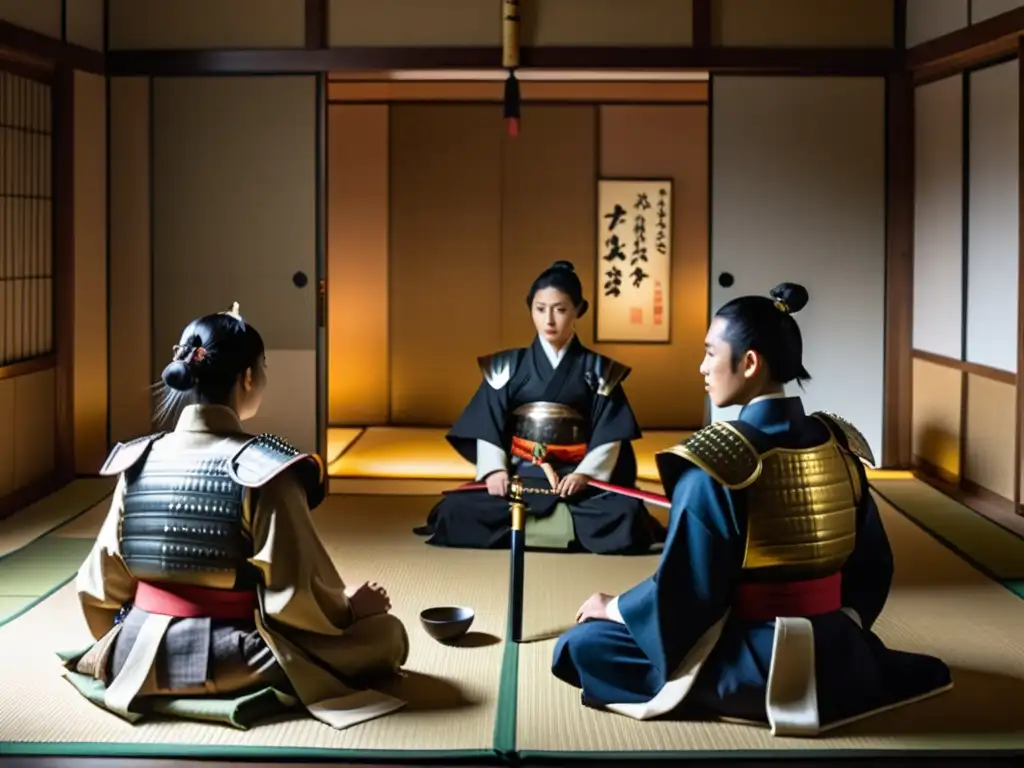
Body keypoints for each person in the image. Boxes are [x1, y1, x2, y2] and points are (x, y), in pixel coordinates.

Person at [550, 283, 952, 736]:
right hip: (842, 650)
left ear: (749, 363)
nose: (701, 368)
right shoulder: (839, 446)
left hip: (761, 657)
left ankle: (767, 691)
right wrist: (841, 629)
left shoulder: (717, 464)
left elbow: (687, 592)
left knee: (581, 646)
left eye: (709, 353)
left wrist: (616, 606)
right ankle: (836, 675)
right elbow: (874, 562)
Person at [60, 303, 410, 731]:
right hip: (231, 657)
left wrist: (120, 637)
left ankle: (148, 675)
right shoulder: (263, 470)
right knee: (387, 636)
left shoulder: (139, 458)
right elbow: (294, 597)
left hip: (132, 649)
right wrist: (351, 608)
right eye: (262, 367)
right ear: (248, 377)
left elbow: (98, 585)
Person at [415, 261, 665, 554]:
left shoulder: (598, 371)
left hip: (575, 481)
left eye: (559, 309)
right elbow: (488, 423)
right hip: (520, 477)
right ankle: (563, 528)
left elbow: (610, 434)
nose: (549, 319)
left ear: (578, 310)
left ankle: (522, 526)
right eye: (540, 308)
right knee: (455, 509)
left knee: (625, 515)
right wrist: (495, 471)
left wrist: (585, 475)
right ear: (530, 309)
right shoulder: (507, 367)